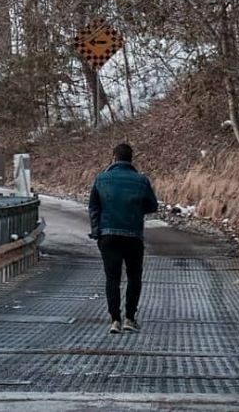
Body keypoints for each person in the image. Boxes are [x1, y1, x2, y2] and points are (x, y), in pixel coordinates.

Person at [88, 142, 159, 334]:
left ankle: (114, 320)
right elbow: (152, 206)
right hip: (133, 236)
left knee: (112, 279)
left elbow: (94, 206)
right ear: (131, 158)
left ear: (114, 157)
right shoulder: (141, 180)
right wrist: (135, 209)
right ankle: (130, 318)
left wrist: (96, 230)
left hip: (108, 235)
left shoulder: (101, 179)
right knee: (134, 277)